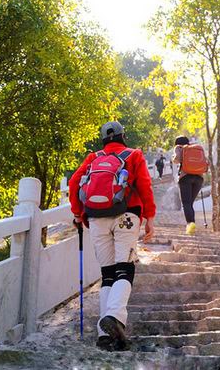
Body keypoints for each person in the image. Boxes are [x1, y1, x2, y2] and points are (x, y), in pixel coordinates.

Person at [69, 121, 156, 351]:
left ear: (103, 139)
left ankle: (104, 336)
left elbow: (74, 182)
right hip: (127, 215)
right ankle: (114, 317)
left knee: (107, 274)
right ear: (122, 136)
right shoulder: (133, 155)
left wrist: (78, 213)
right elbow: (145, 186)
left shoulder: (93, 158)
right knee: (125, 269)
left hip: (97, 218)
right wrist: (150, 217)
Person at [172, 136, 206, 235]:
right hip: (198, 178)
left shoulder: (179, 148)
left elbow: (176, 160)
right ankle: (192, 224)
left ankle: (191, 226)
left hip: (185, 177)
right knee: (190, 203)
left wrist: (174, 157)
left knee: (186, 204)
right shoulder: (196, 149)